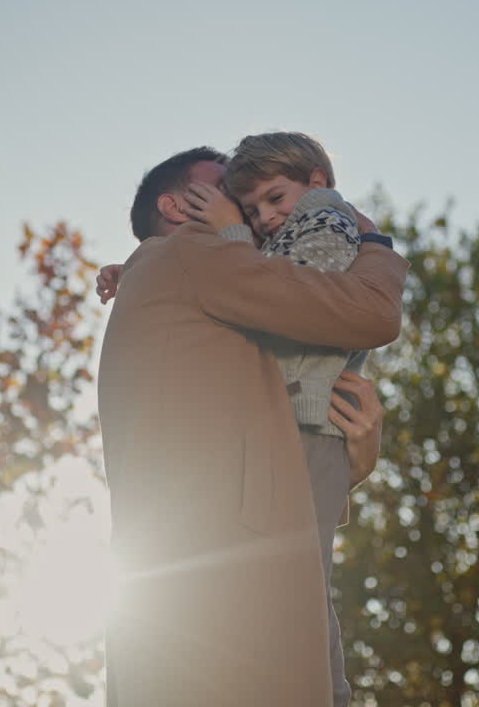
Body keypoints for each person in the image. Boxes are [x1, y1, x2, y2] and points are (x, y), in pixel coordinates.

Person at [97, 146, 407, 706]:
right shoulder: (188, 256)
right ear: (175, 206)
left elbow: (246, 424)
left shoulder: (165, 282)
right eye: (225, 192)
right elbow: (371, 312)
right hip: (234, 590)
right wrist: (375, 244)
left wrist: (348, 462)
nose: (244, 210)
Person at [180, 131, 379, 706]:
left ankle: (327, 695)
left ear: (316, 180)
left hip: (312, 429)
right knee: (291, 585)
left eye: (274, 198)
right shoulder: (297, 229)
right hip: (292, 429)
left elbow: (286, 299)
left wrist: (232, 232)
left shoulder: (327, 219)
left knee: (299, 588)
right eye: (254, 209)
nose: (265, 218)